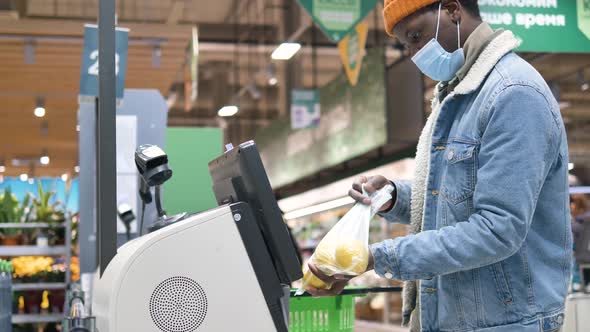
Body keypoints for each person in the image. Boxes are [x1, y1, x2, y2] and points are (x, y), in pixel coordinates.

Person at [306, 1, 572, 331]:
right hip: (459, 317)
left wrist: (376, 256)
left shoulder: (512, 94)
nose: (416, 53)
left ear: (452, 9)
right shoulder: (459, 95)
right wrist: (392, 197)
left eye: (417, 36)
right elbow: (452, 199)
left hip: (505, 322)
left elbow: (498, 229)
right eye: (407, 43)